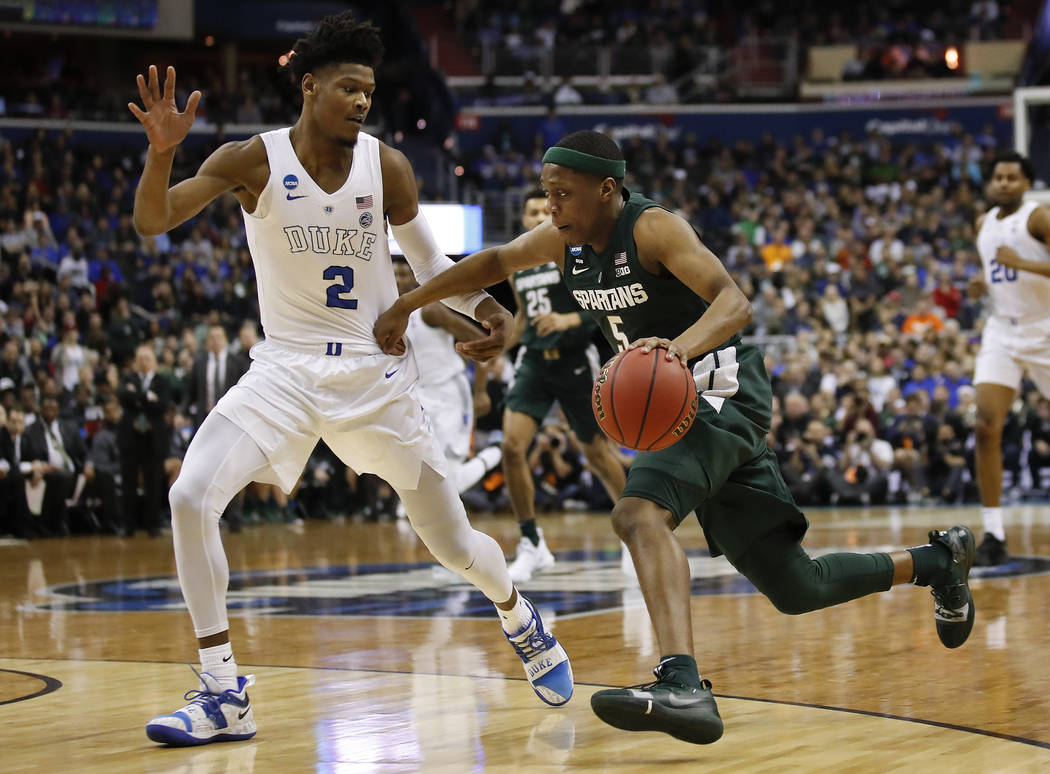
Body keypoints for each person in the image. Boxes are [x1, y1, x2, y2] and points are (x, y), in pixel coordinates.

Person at [375, 130, 977, 746]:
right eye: (545, 194)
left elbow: (735, 303)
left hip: (720, 393)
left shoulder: (653, 229)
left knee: (637, 514)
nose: (550, 207)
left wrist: (673, 354)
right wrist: (410, 303)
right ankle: (937, 561)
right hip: (673, 407)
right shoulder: (566, 244)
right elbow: (495, 263)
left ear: (607, 189)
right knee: (797, 586)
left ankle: (682, 683)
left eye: (562, 195)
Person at [127, 12, 571, 747]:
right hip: (285, 372)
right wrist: (160, 155)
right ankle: (222, 691)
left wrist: (488, 309)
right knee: (190, 495)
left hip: (374, 380)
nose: (363, 102)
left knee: (454, 544)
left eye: (369, 90)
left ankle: (519, 616)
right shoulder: (253, 160)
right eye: (348, 88)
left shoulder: (386, 165)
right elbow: (153, 220)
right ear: (309, 86)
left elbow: (432, 266)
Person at [502, 189, 628, 581]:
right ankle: (531, 542)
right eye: (532, 211)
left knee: (597, 455)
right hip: (536, 362)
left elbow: (603, 305)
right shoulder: (517, 264)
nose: (539, 214)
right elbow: (523, 316)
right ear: (524, 220)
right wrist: (496, 347)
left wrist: (566, 321)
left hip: (575, 361)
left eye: (544, 208)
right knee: (511, 446)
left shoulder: (575, 252)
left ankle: (633, 533)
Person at [971, 151, 1050, 566]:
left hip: (1046, 327)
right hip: (1003, 329)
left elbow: (1017, 265)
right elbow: (998, 273)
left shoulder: (1039, 217)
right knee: (986, 426)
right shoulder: (983, 223)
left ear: (1026, 183)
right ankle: (994, 533)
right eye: (998, 177)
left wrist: (1023, 262)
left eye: (1012, 177)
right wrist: (981, 284)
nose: (1003, 183)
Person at [392, 258, 502, 495]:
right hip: (417, 395)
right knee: (421, 465)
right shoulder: (387, 315)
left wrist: (481, 391)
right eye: (395, 275)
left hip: (450, 393)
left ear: (414, 278)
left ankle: (495, 453)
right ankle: (418, 511)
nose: (399, 280)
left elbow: (480, 342)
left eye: (404, 274)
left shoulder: (430, 311)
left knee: (450, 477)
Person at [117, 343, 172, 537]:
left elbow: (163, 405)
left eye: (147, 358)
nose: (143, 362)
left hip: (153, 439)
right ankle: (128, 525)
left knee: (153, 483)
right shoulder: (127, 378)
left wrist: (138, 398)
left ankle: (153, 525)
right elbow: (123, 396)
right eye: (140, 358)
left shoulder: (162, 380)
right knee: (128, 482)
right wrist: (148, 397)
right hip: (130, 438)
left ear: (154, 361)